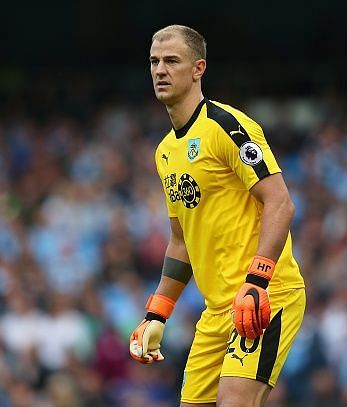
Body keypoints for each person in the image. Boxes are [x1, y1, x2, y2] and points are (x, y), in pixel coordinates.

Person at [129, 24, 306, 407]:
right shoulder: (165, 153)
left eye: (171, 61)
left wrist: (257, 281)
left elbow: (280, 203)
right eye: (154, 62)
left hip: (264, 296)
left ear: (198, 69)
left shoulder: (226, 126)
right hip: (216, 312)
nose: (160, 70)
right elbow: (181, 242)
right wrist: (156, 313)